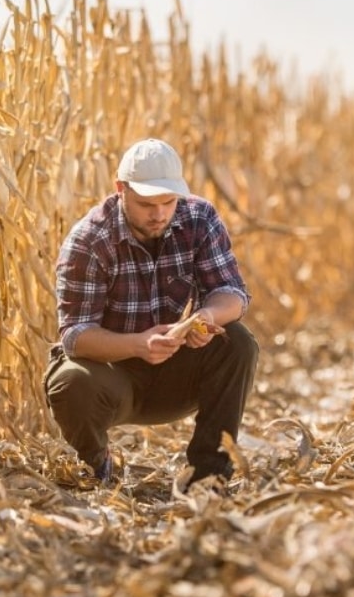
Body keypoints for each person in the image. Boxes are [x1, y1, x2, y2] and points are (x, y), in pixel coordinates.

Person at [43, 137, 259, 490]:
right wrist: (139, 344)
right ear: (120, 190)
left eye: (168, 202)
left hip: (174, 369)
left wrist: (204, 317)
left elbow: (233, 294)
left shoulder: (199, 218)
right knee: (70, 382)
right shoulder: (89, 240)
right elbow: (75, 336)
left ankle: (209, 475)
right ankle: (95, 466)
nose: (159, 214)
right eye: (146, 204)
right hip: (111, 374)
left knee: (238, 342)